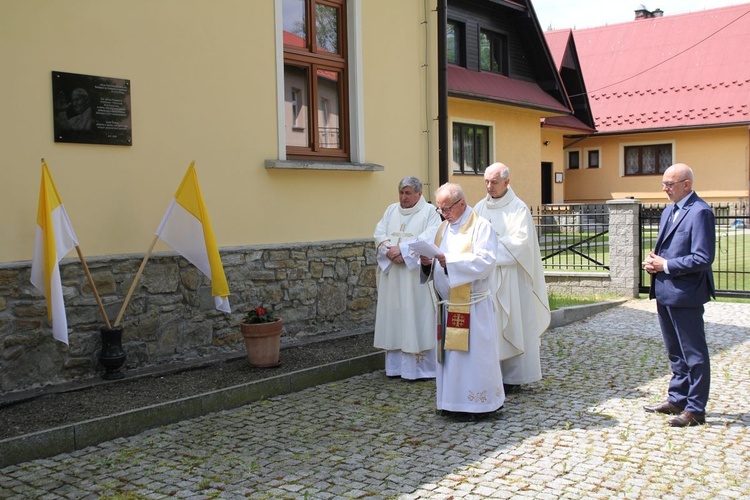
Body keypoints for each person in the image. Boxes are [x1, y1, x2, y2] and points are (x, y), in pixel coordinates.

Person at [419, 182, 504, 420]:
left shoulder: (481, 227)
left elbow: (485, 261)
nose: (443, 214)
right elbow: (432, 255)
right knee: (452, 359)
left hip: (473, 306)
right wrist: (427, 263)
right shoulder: (442, 229)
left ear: (462, 203)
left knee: (473, 359)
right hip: (448, 308)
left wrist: (451, 262)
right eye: (440, 209)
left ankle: (479, 405)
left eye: (447, 209)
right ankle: (452, 402)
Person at [642, 163, 715, 427]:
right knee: (675, 352)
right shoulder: (669, 211)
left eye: (670, 184)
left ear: (687, 184)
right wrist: (655, 262)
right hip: (665, 291)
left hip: (687, 294)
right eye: (663, 184)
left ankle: (696, 408)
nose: (664, 189)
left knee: (693, 353)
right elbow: (669, 249)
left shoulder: (700, 212)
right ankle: (677, 398)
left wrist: (667, 265)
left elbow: (703, 257)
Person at [474, 163, 550, 393]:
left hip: (511, 281)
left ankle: (514, 378)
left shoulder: (519, 209)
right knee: (490, 327)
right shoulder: (479, 208)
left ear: (507, 182)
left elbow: (521, 244)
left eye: (494, 182)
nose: (489, 187)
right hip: (487, 279)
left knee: (513, 322)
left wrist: (489, 250)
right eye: (486, 182)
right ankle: (490, 374)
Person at [373, 176, 442, 379]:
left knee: (416, 316)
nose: (404, 197)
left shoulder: (430, 213)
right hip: (393, 277)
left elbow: (430, 237)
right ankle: (395, 368)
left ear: (419, 193)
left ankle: (420, 369)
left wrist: (403, 251)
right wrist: (388, 251)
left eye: (408, 193)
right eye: (401, 193)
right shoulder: (391, 210)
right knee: (394, 317)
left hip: (415, 279)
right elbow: (379, 234)